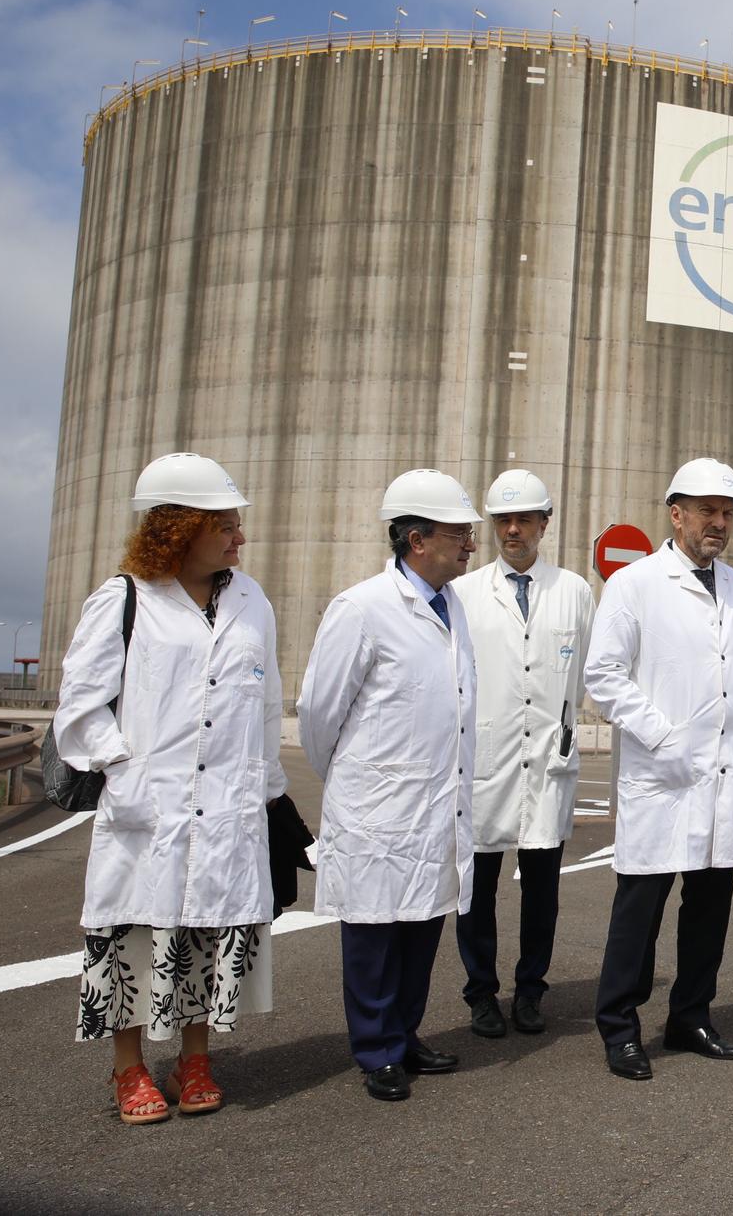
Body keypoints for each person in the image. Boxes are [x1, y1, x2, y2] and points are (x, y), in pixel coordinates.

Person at [58, 453, 283, 1124]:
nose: (239, 537)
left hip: (227, 810)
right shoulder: (126, 598)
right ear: (179, 528)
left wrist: (269, 792)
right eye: (225, 524)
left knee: (207, 936)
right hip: (146, 809)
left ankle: (195, 1057)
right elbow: (81, 704)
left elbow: (266, 700)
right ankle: (127, 1069)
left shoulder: (252, 602)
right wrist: (119, 766)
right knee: (131, 933)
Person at [299, 469, 480, 1102]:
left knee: (423, 923)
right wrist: (357, 780)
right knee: (374, 932)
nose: (470, 544)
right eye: (459, 533)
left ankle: (404, 1034)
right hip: (378, 805)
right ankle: (375, 1048)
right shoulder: (362, 608)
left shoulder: (454, 606)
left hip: (437, 803)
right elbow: (319, 714)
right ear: (416, 538)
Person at [584, 458, 733, 1080]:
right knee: (641, 908)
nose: (718, 523)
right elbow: (603, 674)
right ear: (676, 513)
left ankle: (691, 1016)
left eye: (727, 513)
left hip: (722, 777)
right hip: (661, 779)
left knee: (709, 910)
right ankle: (620, 1028)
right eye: (707, 511)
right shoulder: (635, 583)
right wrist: (662, 736)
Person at [449, 469, 595, 1039]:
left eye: (524, 520)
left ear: (544, 524)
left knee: (542, 890)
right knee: (476, 888)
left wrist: (557, 726)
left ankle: (531, 990)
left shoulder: (575, 590)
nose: (513, 530)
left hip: (548, 761)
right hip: (485, 761)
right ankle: (480, 992)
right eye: (503, 521)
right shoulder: (464, 592)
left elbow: (579, 671)